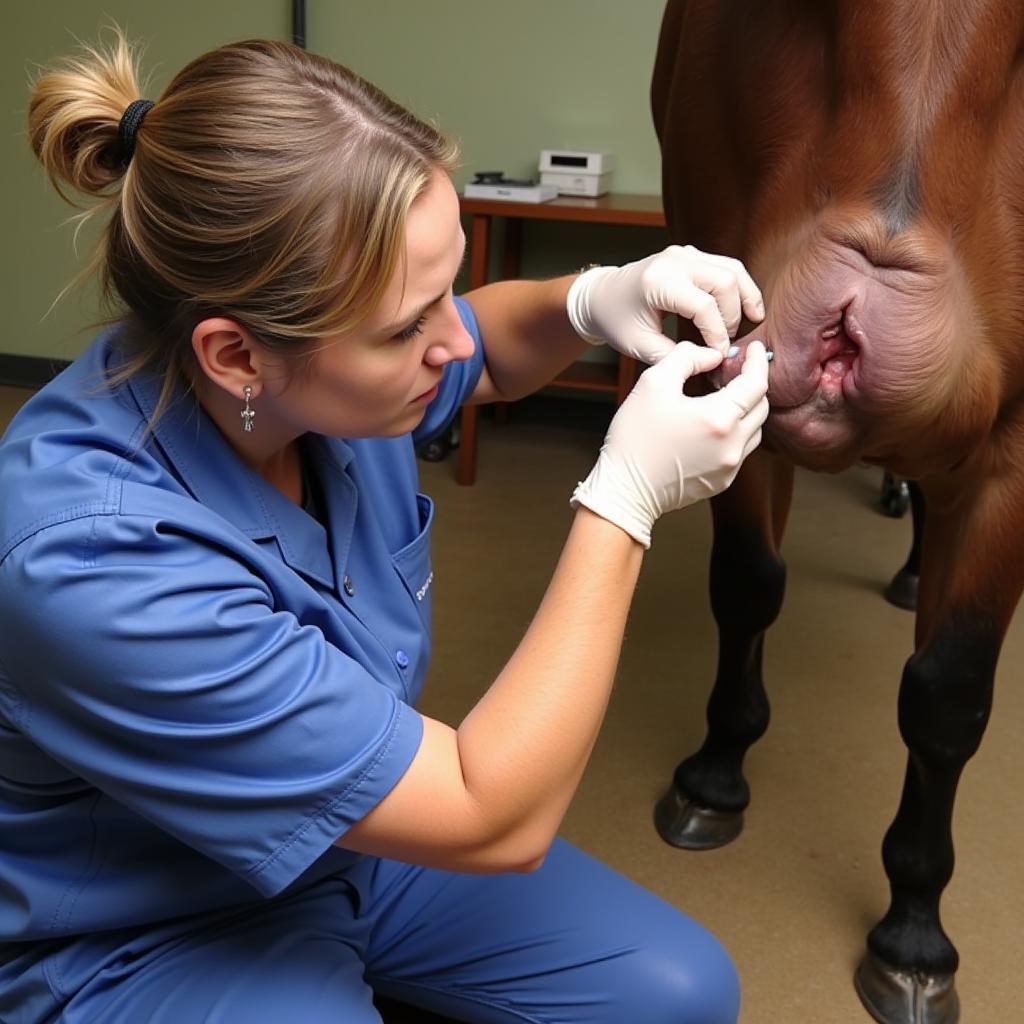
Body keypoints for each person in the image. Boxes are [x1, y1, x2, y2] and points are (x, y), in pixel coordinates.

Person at [0, 32, 770, 1024]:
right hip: (137, 928)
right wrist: (622, 498)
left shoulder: (315, 380)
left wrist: (591, 298)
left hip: (346, 833)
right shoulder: (91, 561)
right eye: (408, 326)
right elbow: (492, 817)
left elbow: (485, 351)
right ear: (236, 355)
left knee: (682, 992)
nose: (447, 339)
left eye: (444, 287)